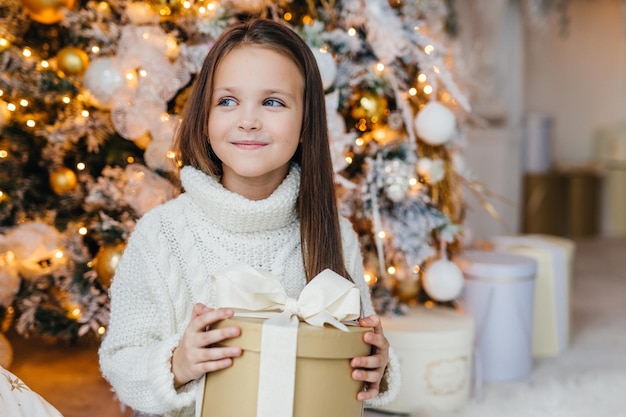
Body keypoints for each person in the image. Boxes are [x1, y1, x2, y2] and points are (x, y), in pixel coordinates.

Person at [99, 18, 400, 417]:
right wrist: (178, 363)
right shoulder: (161, 234)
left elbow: (353, 356)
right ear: (205, 118)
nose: (248, 120)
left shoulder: (334, 234)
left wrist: (377, 368)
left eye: (272, 102)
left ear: (306, 120)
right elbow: (121, 359)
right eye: (227, 101)